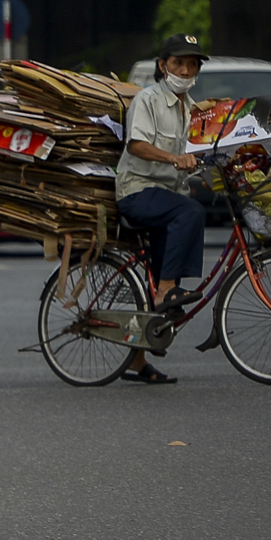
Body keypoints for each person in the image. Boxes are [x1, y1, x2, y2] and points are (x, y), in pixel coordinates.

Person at [113, 34, 210, 385]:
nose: (185, 70)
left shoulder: (190, 108)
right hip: (138, 191)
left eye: (192, 64)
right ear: (162, 65)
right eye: (178, 63)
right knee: (191, 213)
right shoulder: (149, 100)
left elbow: (198, 151)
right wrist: (174, 158)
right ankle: (166, 287)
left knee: (161, 280)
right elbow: (137, 144)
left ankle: (137, 362)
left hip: (165, 196)